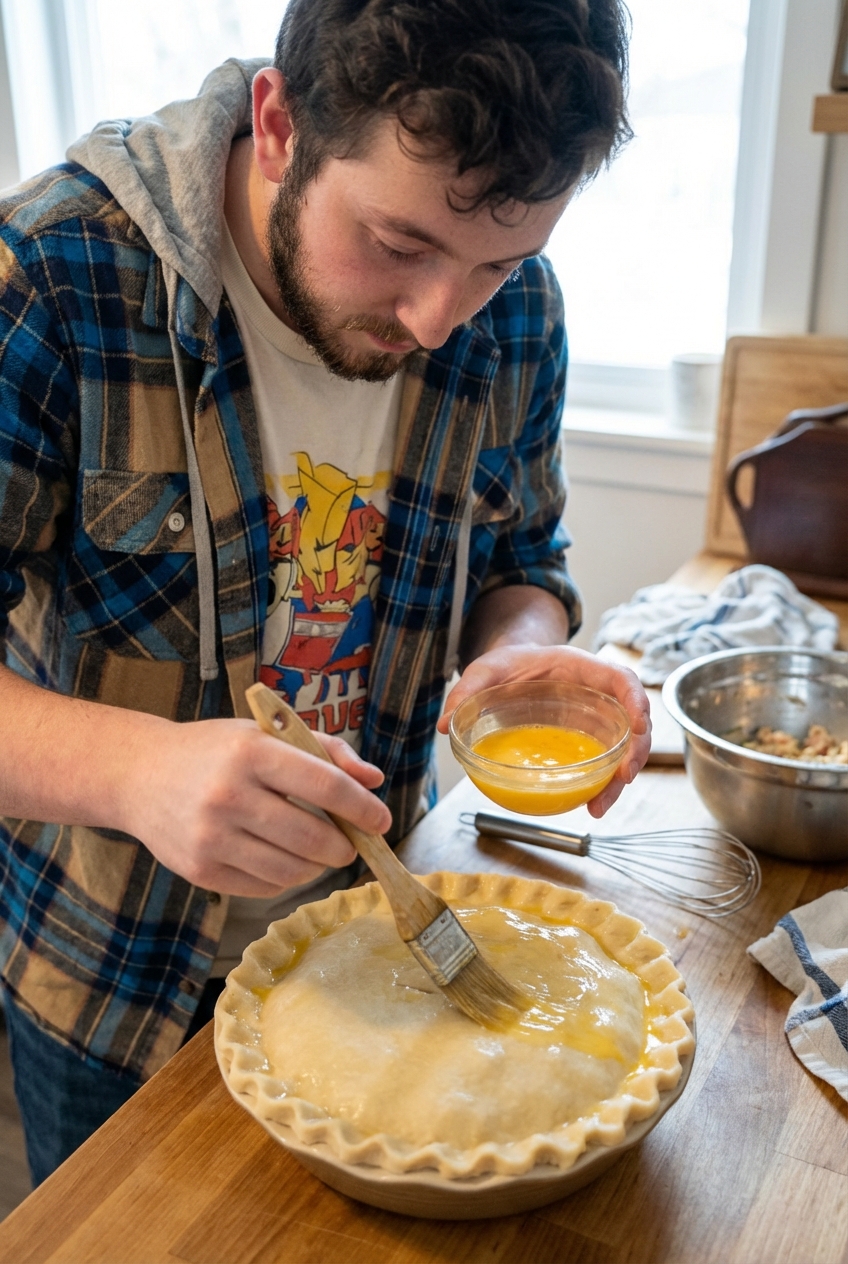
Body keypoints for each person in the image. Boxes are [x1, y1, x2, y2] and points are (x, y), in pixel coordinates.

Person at [0, 0, 649, 1184]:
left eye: (498, 261)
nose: (435, 317)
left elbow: (523, 563)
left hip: (382, 937)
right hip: (114, 982)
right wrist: (136, 769)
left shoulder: (513, 315)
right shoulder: (53, 278)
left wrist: (517, 652)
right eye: (397, 244)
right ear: (280, 120)